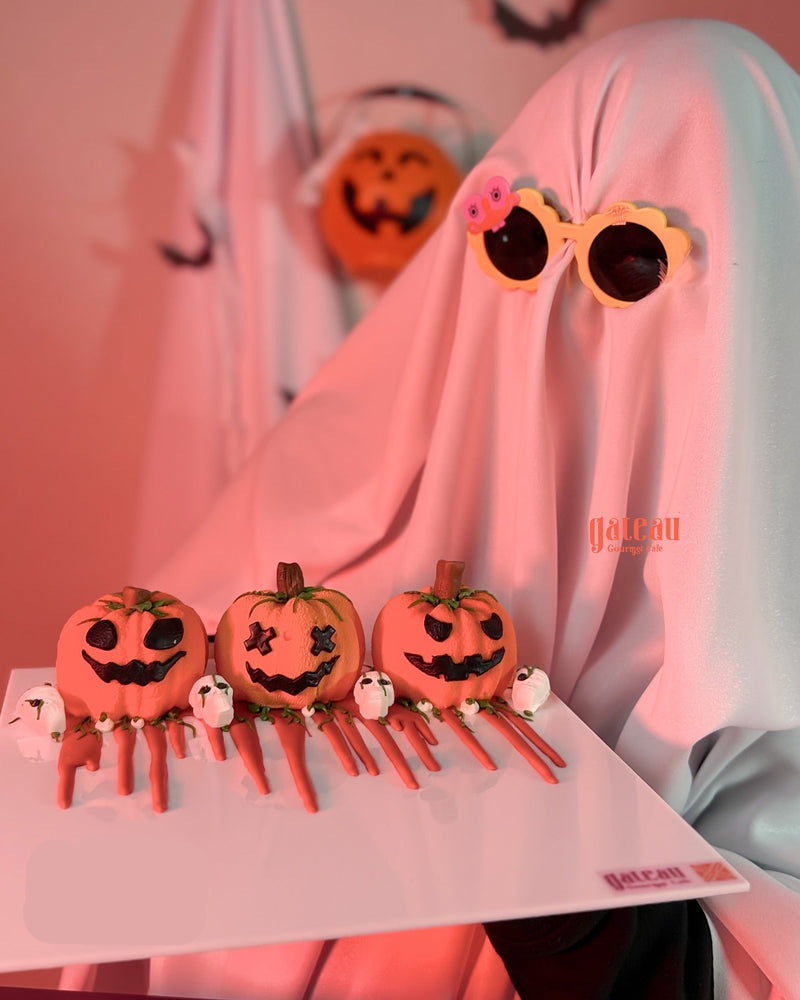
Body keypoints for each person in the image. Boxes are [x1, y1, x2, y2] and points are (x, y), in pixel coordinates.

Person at [148, 18, 800, 998]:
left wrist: (595, 915)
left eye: (631, 261)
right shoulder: (328, 520)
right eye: (520, 245)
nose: (570, 319)